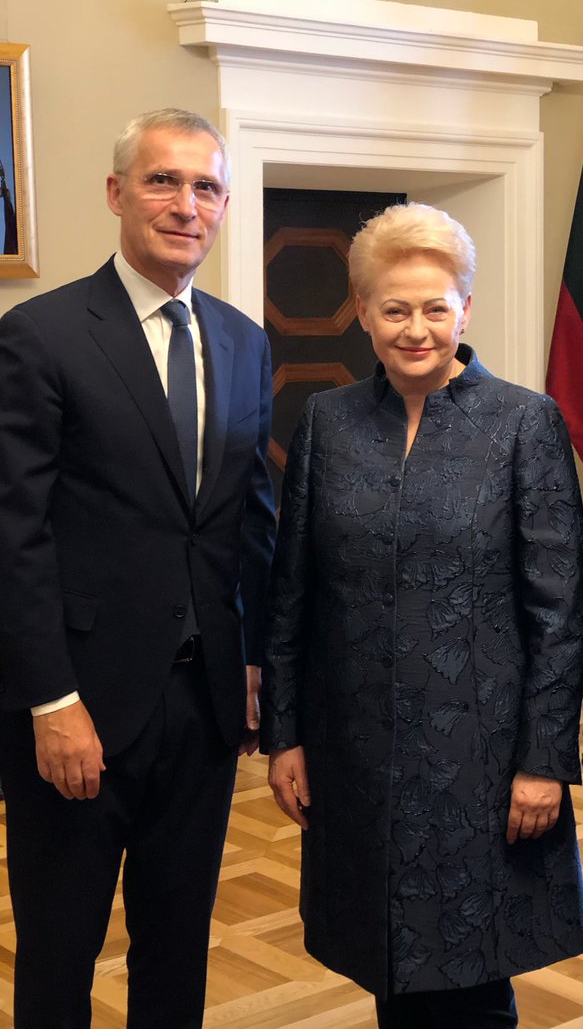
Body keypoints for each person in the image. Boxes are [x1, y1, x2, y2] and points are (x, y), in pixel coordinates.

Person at [262, 202, 583, 1028]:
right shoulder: (328, 425)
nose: (416, 328)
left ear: (465, 311)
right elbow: (293, 590)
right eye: (395, 309)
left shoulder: (524, 422)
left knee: (474, 975)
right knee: (390, 964)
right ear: (364, 314)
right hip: (357, 754)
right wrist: (286, 734)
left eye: (435, 308)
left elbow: (558, 610)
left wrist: (544, 760)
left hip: (483, 762)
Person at [0, 108, 276, 1028]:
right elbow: (15, 533)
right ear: (117, 193)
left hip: (200, 713)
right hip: (78, 710)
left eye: (205, 187)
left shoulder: (243, 342)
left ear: (225, 205)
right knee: (58, 955)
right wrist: (49, 702)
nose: (184, 204)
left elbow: (245, 522)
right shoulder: (40, 336)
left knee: (178, 948)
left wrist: (255, 662)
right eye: (163, 181)